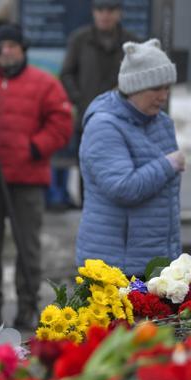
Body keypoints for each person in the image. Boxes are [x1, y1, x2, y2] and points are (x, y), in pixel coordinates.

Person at [0, 24, 72, 330]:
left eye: (13, 45)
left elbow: (61, 122)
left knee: (27, 248)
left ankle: (27, 308)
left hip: (27, 178)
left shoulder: (44, 83)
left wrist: (34, 147)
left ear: (23, 49)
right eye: (1, 45)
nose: (6, 51)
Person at [76, 40, 182, 277]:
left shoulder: (162, 122)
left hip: (158, 263)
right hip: (116, 266)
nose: (164, 96)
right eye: (157, 88)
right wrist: (169, 164)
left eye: (167, 88)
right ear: (134, 87)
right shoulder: (103, 126)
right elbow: (123, 188)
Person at [58, 0, 138, 209]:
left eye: (110, 10)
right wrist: (79, 98)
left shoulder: (131, 42)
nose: (105, 15)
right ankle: (90, 214)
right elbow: (66, 73)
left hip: (124, 119)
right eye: (100, 10)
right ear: (93, 13)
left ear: (119, 13)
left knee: (122, 169)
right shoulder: (80, 39)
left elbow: (141, 78)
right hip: (88, 118)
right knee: (88, 170)